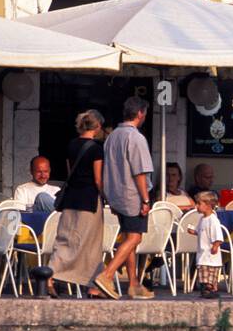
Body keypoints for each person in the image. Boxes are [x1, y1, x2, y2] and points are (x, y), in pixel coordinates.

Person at [94, 97, 155, 301]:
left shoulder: (112, 137)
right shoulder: (135, 138)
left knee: (129, 237)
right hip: (132, 195)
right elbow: (140, 172)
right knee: (135, 237)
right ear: (140, 113)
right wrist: (145, 200)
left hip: (116, 194)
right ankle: (107, 275)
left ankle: (134, 284)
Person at [49, 110, 106, 300]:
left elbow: (69, 172)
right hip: (88, 199)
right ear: (97, 127)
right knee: (90, 243)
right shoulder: (97, 149)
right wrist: (107, 196)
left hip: (70, 197)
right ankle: (92, 285)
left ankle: (49, 274)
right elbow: (98, 179)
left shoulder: (72, 145)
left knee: (65, 239)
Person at [189, 190, 225, 298]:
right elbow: (201, 231)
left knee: (210, 273)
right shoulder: (202, 219)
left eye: (199, 204)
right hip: (203, 253)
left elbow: (217, 234)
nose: (197, 206)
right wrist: (194, 232)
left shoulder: (213, 220)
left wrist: (216, 245)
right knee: (204, 273)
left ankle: (210, 289)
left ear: (209, 205)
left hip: (210, 253)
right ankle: (206, 289)